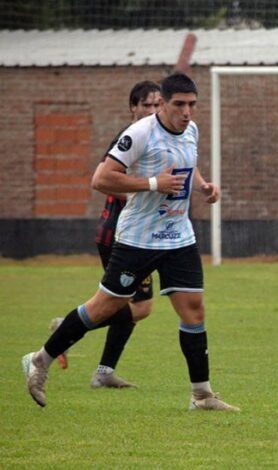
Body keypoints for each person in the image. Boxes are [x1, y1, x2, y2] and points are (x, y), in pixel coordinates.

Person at [22, 72, 239, 412]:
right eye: (179, 104)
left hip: (178, 236)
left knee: (194, 309)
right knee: (104, 307)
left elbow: (188, 164)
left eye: (192, 104)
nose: (187, 112)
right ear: (163, 103)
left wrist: (203, 186)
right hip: (138, 239)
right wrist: (153, 183)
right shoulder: (138, 134)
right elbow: (101, 179)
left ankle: (202, 395)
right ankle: (41, 359)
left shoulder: (192, 130)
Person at [50, 81, 161, 389]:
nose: (152, 111)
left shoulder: (154, 137)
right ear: (133, 108)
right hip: (120, 234)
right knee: (139, 307)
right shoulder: (130, 138)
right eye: (146, 105)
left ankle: (104, 372)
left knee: (125, 304)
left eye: (157, 105)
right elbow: (104, 180)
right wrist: (150, 190)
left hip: (136, 234)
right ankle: (67, 328)